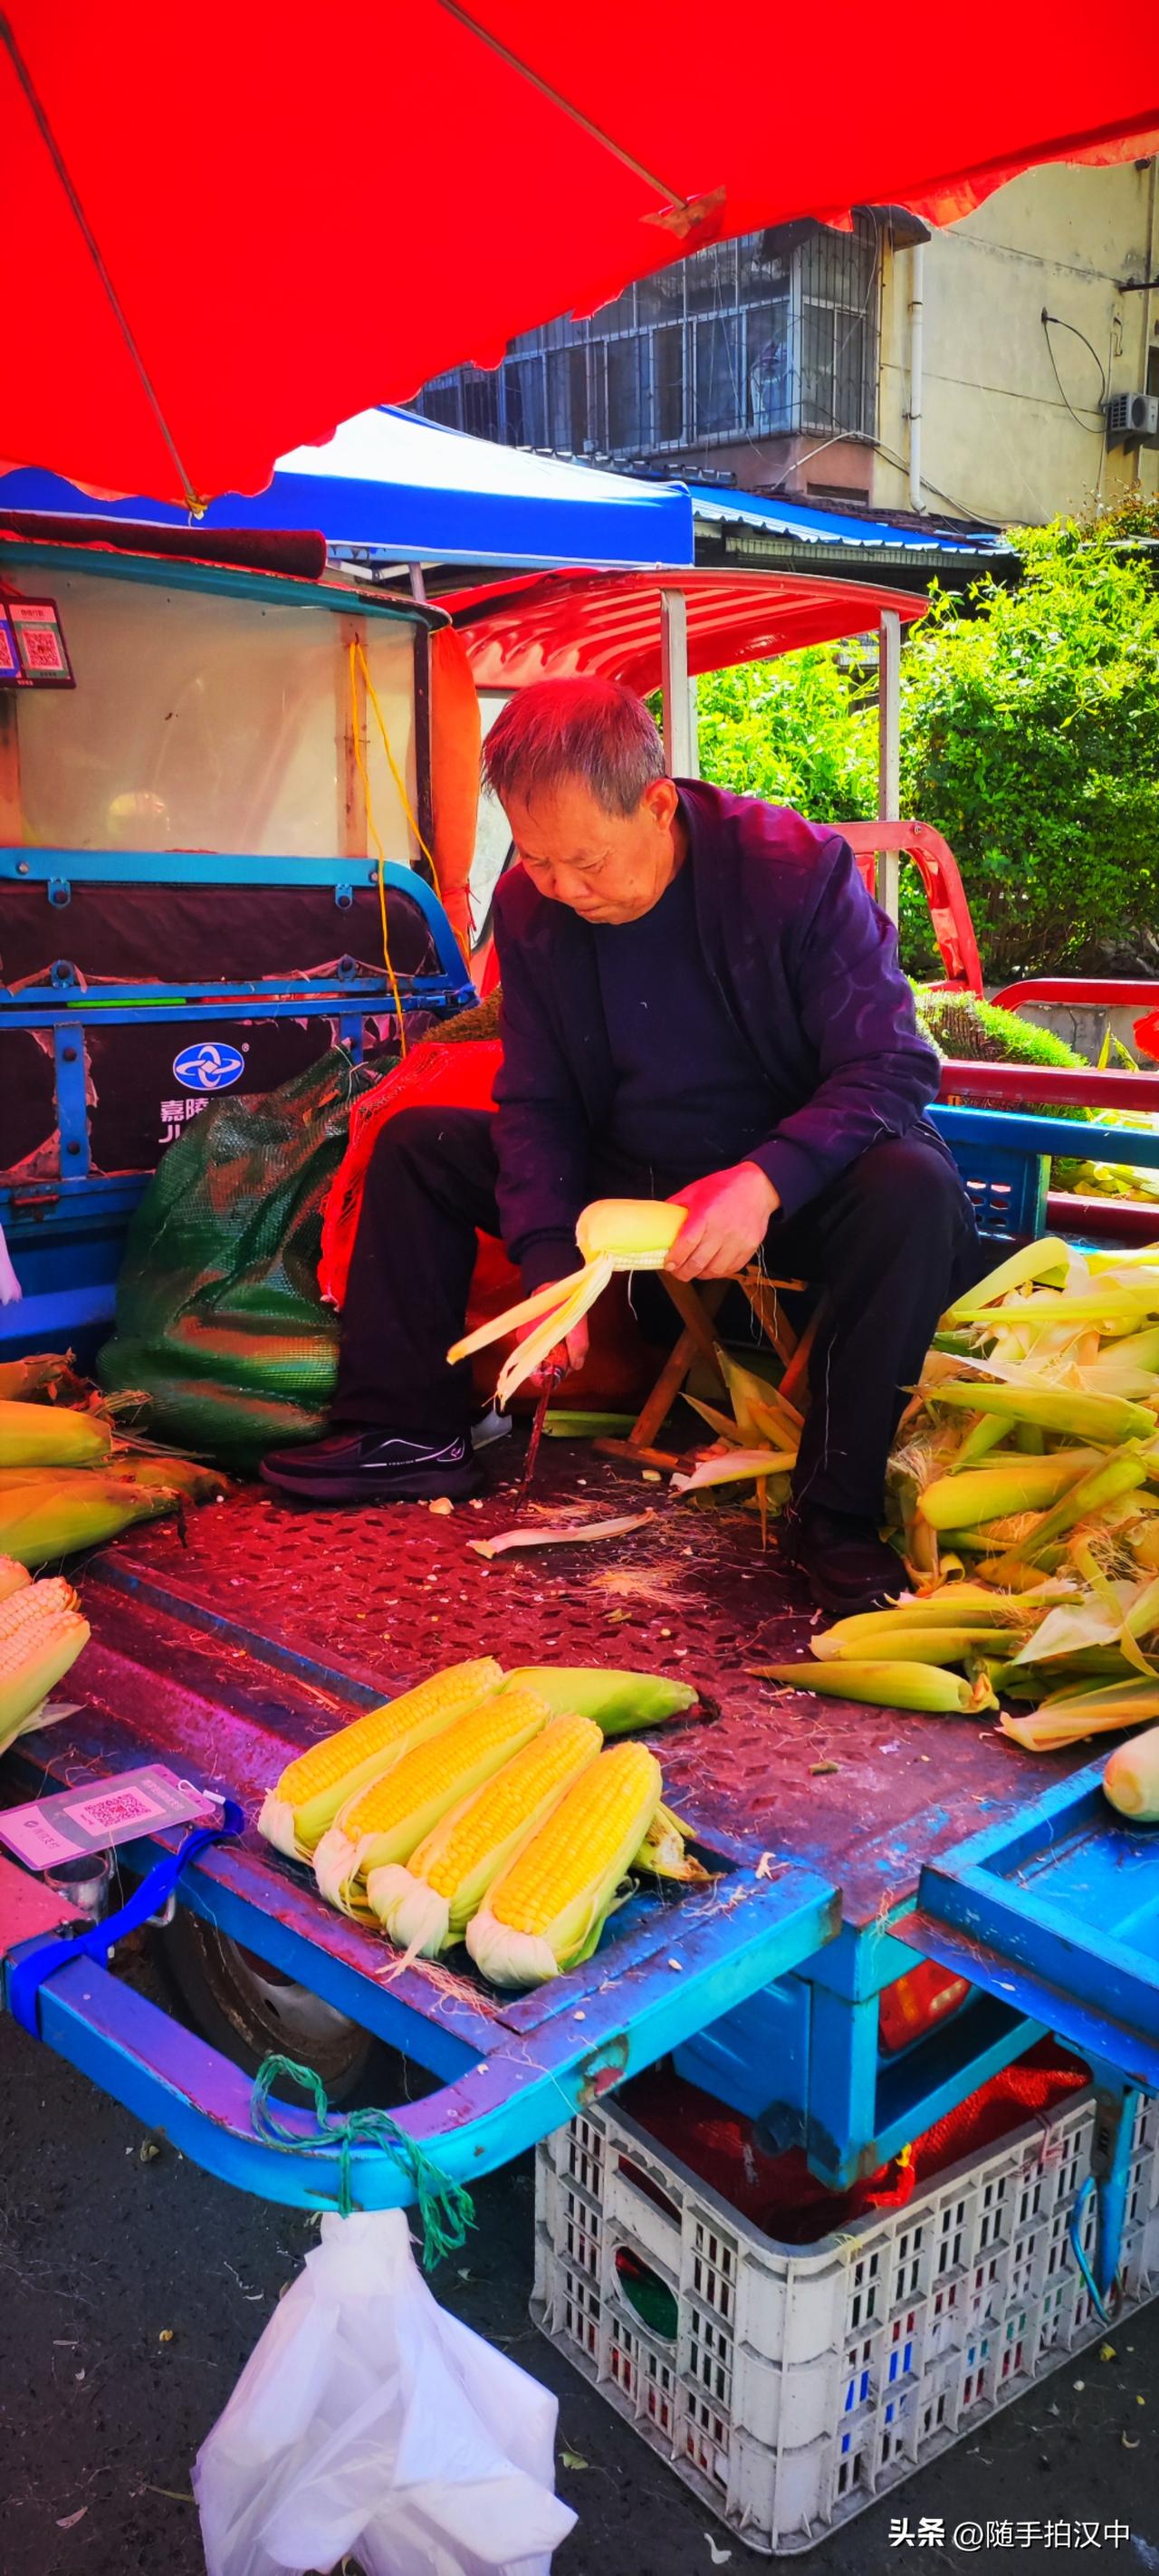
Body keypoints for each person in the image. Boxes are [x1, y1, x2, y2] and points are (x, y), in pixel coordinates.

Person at [263, 678, 979, 1613]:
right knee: (419, 1143)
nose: (562, 888)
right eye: (536, 859)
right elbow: (538, 1100)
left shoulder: (790, 870)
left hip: (786, 1185)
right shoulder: (532, 908)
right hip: (626, 1174)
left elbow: (889, 1066)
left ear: (655, 804)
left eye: (586, 863)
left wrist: (764, 1180)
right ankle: (404, 1429)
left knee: (910, 1186)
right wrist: (551, 1274)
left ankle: (832, 1515)